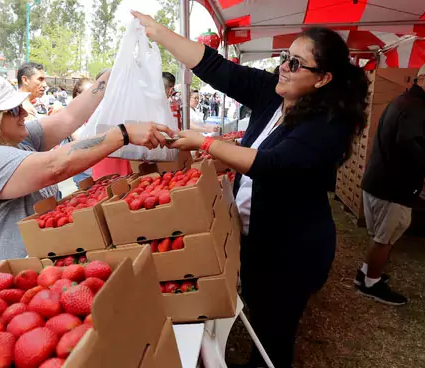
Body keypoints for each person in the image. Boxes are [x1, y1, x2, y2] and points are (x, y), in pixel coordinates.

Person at [132, 11, 369, 368]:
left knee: (275, 331)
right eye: (284, 58)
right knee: (262, 314)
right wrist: (158, 32)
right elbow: (217, 68)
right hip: (260, 238)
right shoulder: (273, 95)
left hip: (292, 250)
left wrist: (206, 143)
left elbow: (273, 165)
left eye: (295, 63)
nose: (283, 67)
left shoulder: (327, 125)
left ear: (323, 79)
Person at [0, 75, 173, 279]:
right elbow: (55, 166)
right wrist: (123, 133)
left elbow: (68, 117)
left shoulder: (19, 139)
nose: (23, 112)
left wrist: (113, 74)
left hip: (12, 274)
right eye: (12, 110)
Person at [356, 59, 425, 305]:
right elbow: (408, 148)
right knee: (384, 239)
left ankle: (366, 274)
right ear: (422, 78)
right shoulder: (416, 107)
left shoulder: (406, 101)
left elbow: (406, 142)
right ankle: (371, 283)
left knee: (380, 236)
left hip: (380, 181)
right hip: (393, 187)